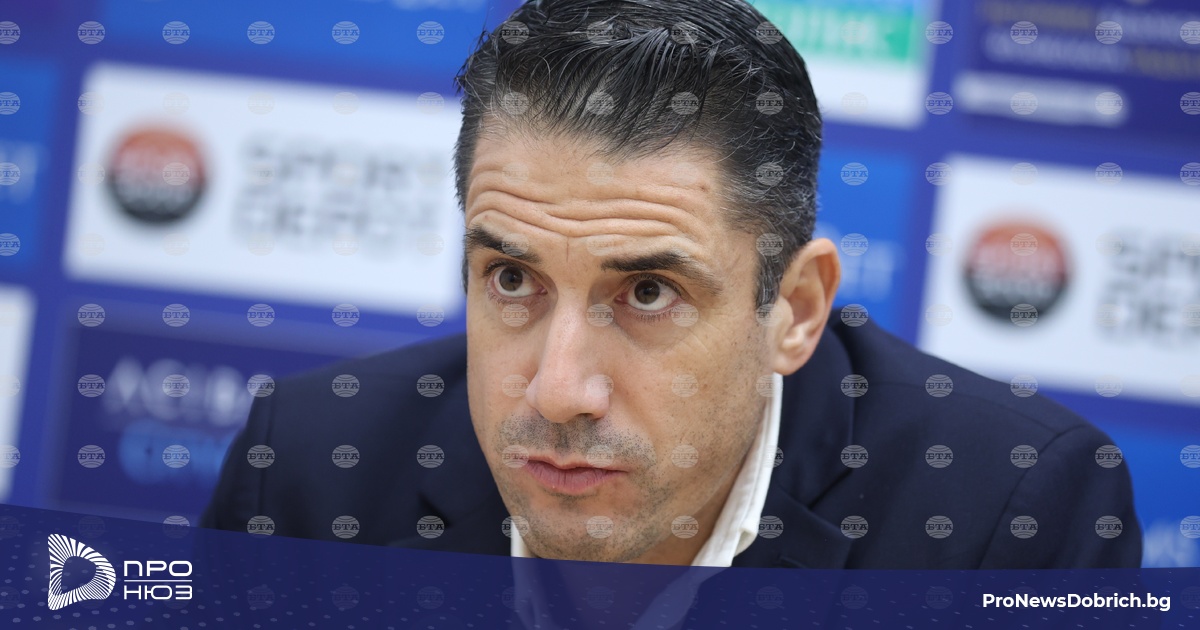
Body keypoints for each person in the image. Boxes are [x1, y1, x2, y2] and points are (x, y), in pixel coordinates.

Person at [201, 0, 1141, 569]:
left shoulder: (1010, 514)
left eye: (648, 293)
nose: (558, 391)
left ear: (795, 310)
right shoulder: (311, 471)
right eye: (513, 277)